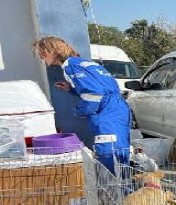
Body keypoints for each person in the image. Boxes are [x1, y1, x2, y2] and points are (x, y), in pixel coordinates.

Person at [33, 36, 130, 174]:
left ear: (54, 51)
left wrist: (79, 111)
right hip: (118, 108)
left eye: (43, 54)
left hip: (106, 113)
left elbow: (94, 94)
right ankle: (124, 189)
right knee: (120, 153)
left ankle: (115, 191)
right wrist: (72, 88)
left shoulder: (70, 66)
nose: (42, 58)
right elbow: (101, 89)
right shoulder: (84, 63)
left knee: (108, 154)